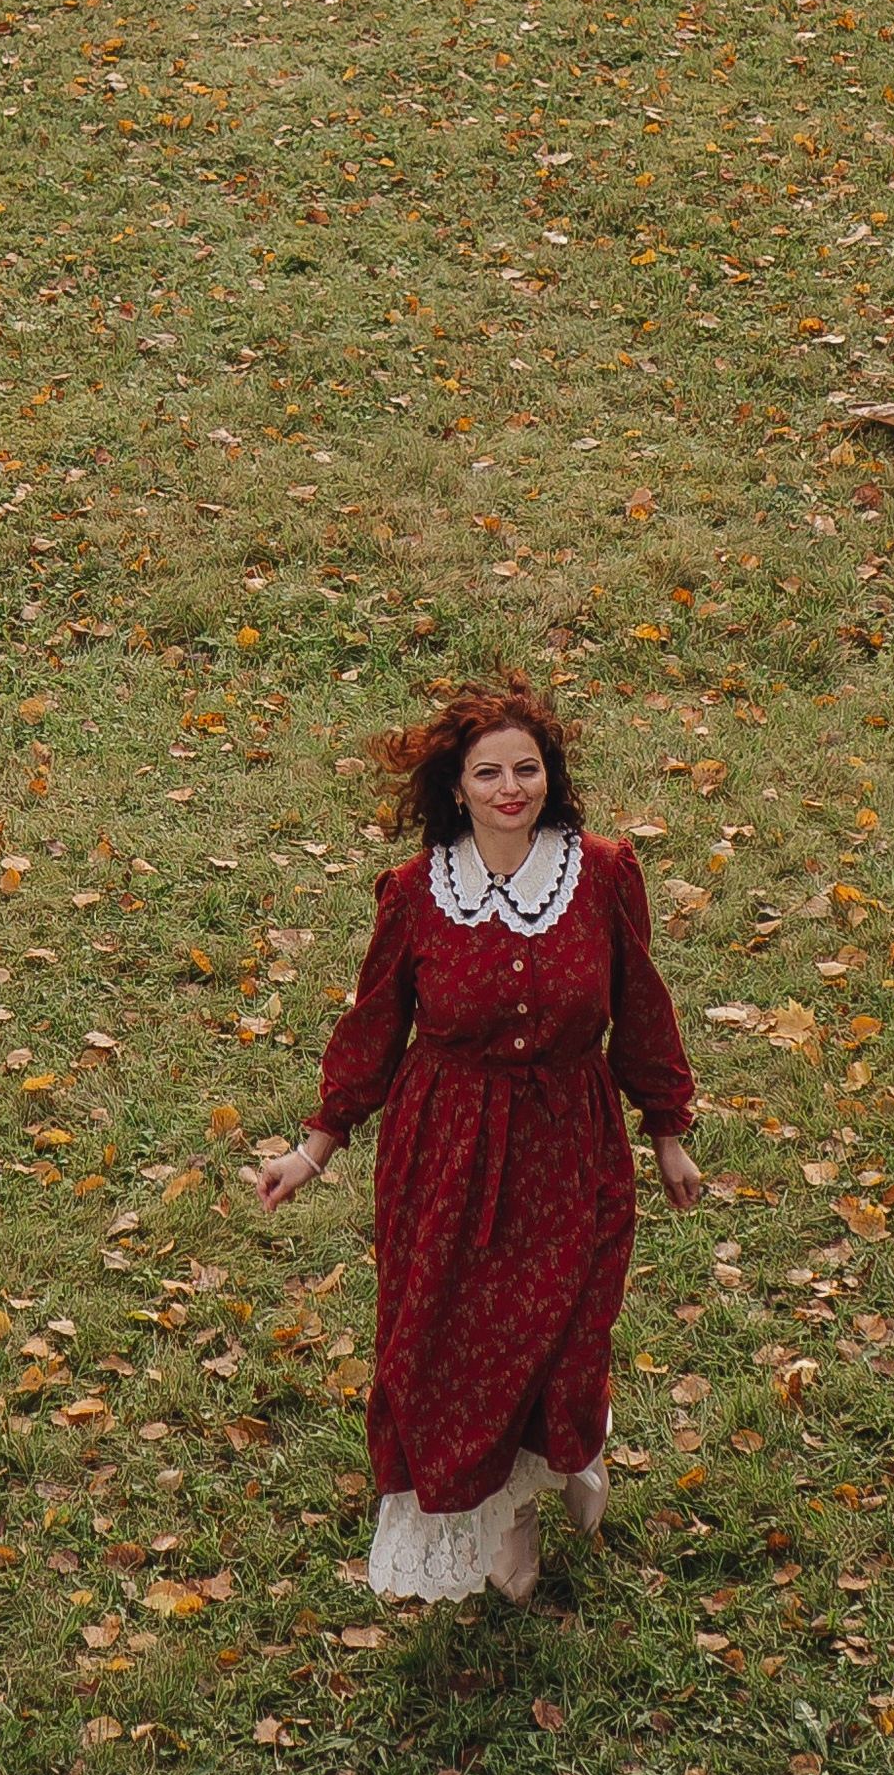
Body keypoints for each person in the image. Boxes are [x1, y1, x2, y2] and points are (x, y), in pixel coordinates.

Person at [257, 677, 702, 1605]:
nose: (511, 788)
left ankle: (555, 1465)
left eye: (527, 769)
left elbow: (641, 1010)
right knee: (449, 1344)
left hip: (569, 1145)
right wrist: (316, 1146)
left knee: (567, 1327)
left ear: (552, 776)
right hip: (447, 1151)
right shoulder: (419, 893)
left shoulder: (606, 873)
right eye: (488, 772)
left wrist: (667, 1132)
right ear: (456, 787)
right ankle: (503, 1509)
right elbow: (376, 1025)